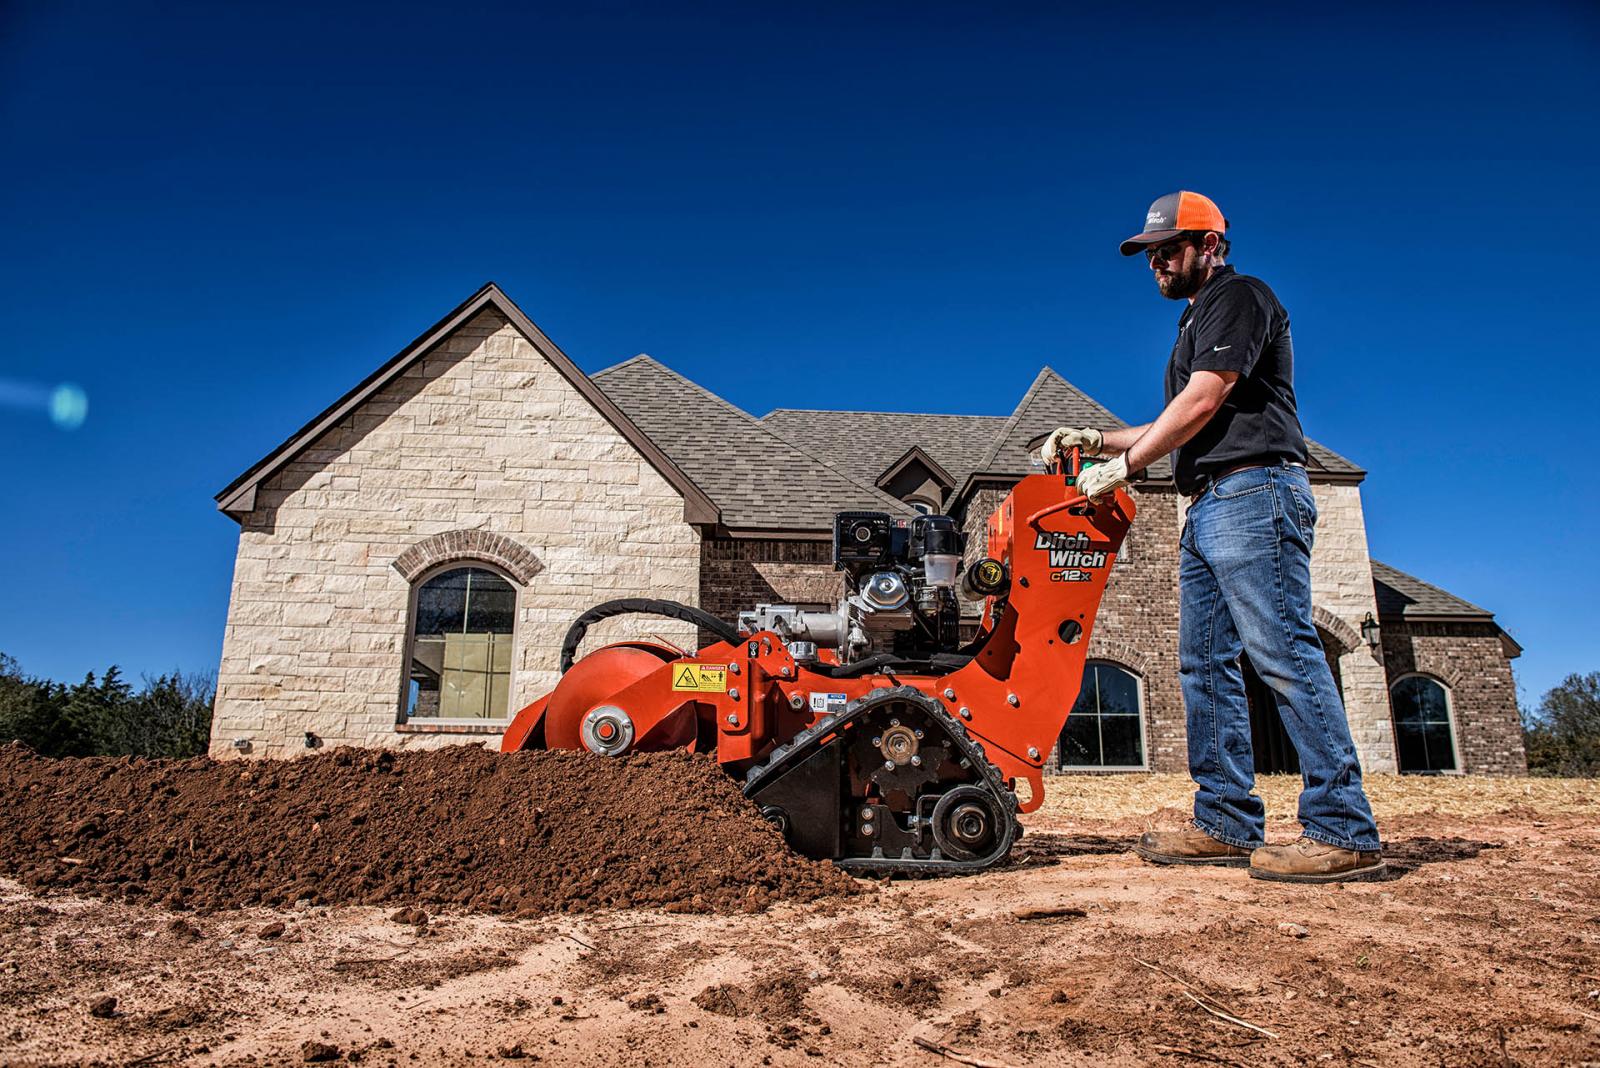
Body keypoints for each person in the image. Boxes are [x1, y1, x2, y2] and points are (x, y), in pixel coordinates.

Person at [1043, 191, 1384, 882]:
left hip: (1255, 493)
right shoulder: (1195, 322)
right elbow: (1178, 416)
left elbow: (1205, 400)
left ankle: (1342, 827)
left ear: (1210, 245)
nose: (1156, 263)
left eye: (1168, 249)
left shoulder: (1241, 296)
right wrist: (1097, 439)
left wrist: (1123, 468)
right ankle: (1226, 822)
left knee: (1284, 651)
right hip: (1206, 504)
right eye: (1149, 254)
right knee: (1204, 665)